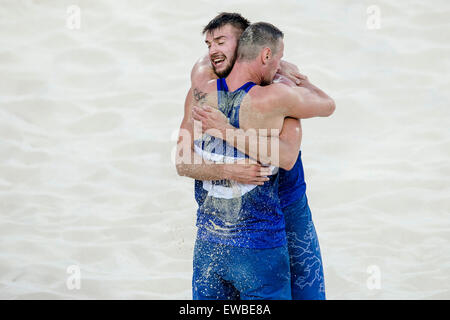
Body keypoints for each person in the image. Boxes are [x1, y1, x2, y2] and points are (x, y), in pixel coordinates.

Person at [176, 13, 335, 300]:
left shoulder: (278, 86)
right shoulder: (203, 82)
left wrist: (225, 131)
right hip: (250, 229)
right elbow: (181, 159)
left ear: (245, 44)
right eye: (209, 44)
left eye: (222, 42)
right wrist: (228, 168)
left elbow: (287, 155)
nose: (212, 52)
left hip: (285, 203)